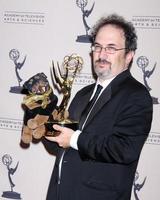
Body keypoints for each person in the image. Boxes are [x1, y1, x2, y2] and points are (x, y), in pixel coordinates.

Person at [43, 14, 153, 200]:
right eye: (97, 47)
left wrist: (74, 139)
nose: (102, 54)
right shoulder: (83, 94)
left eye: (111, 48)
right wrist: (41, 123)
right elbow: (62, 146)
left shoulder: (136, 95)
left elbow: (124, 149)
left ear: (129, 55)